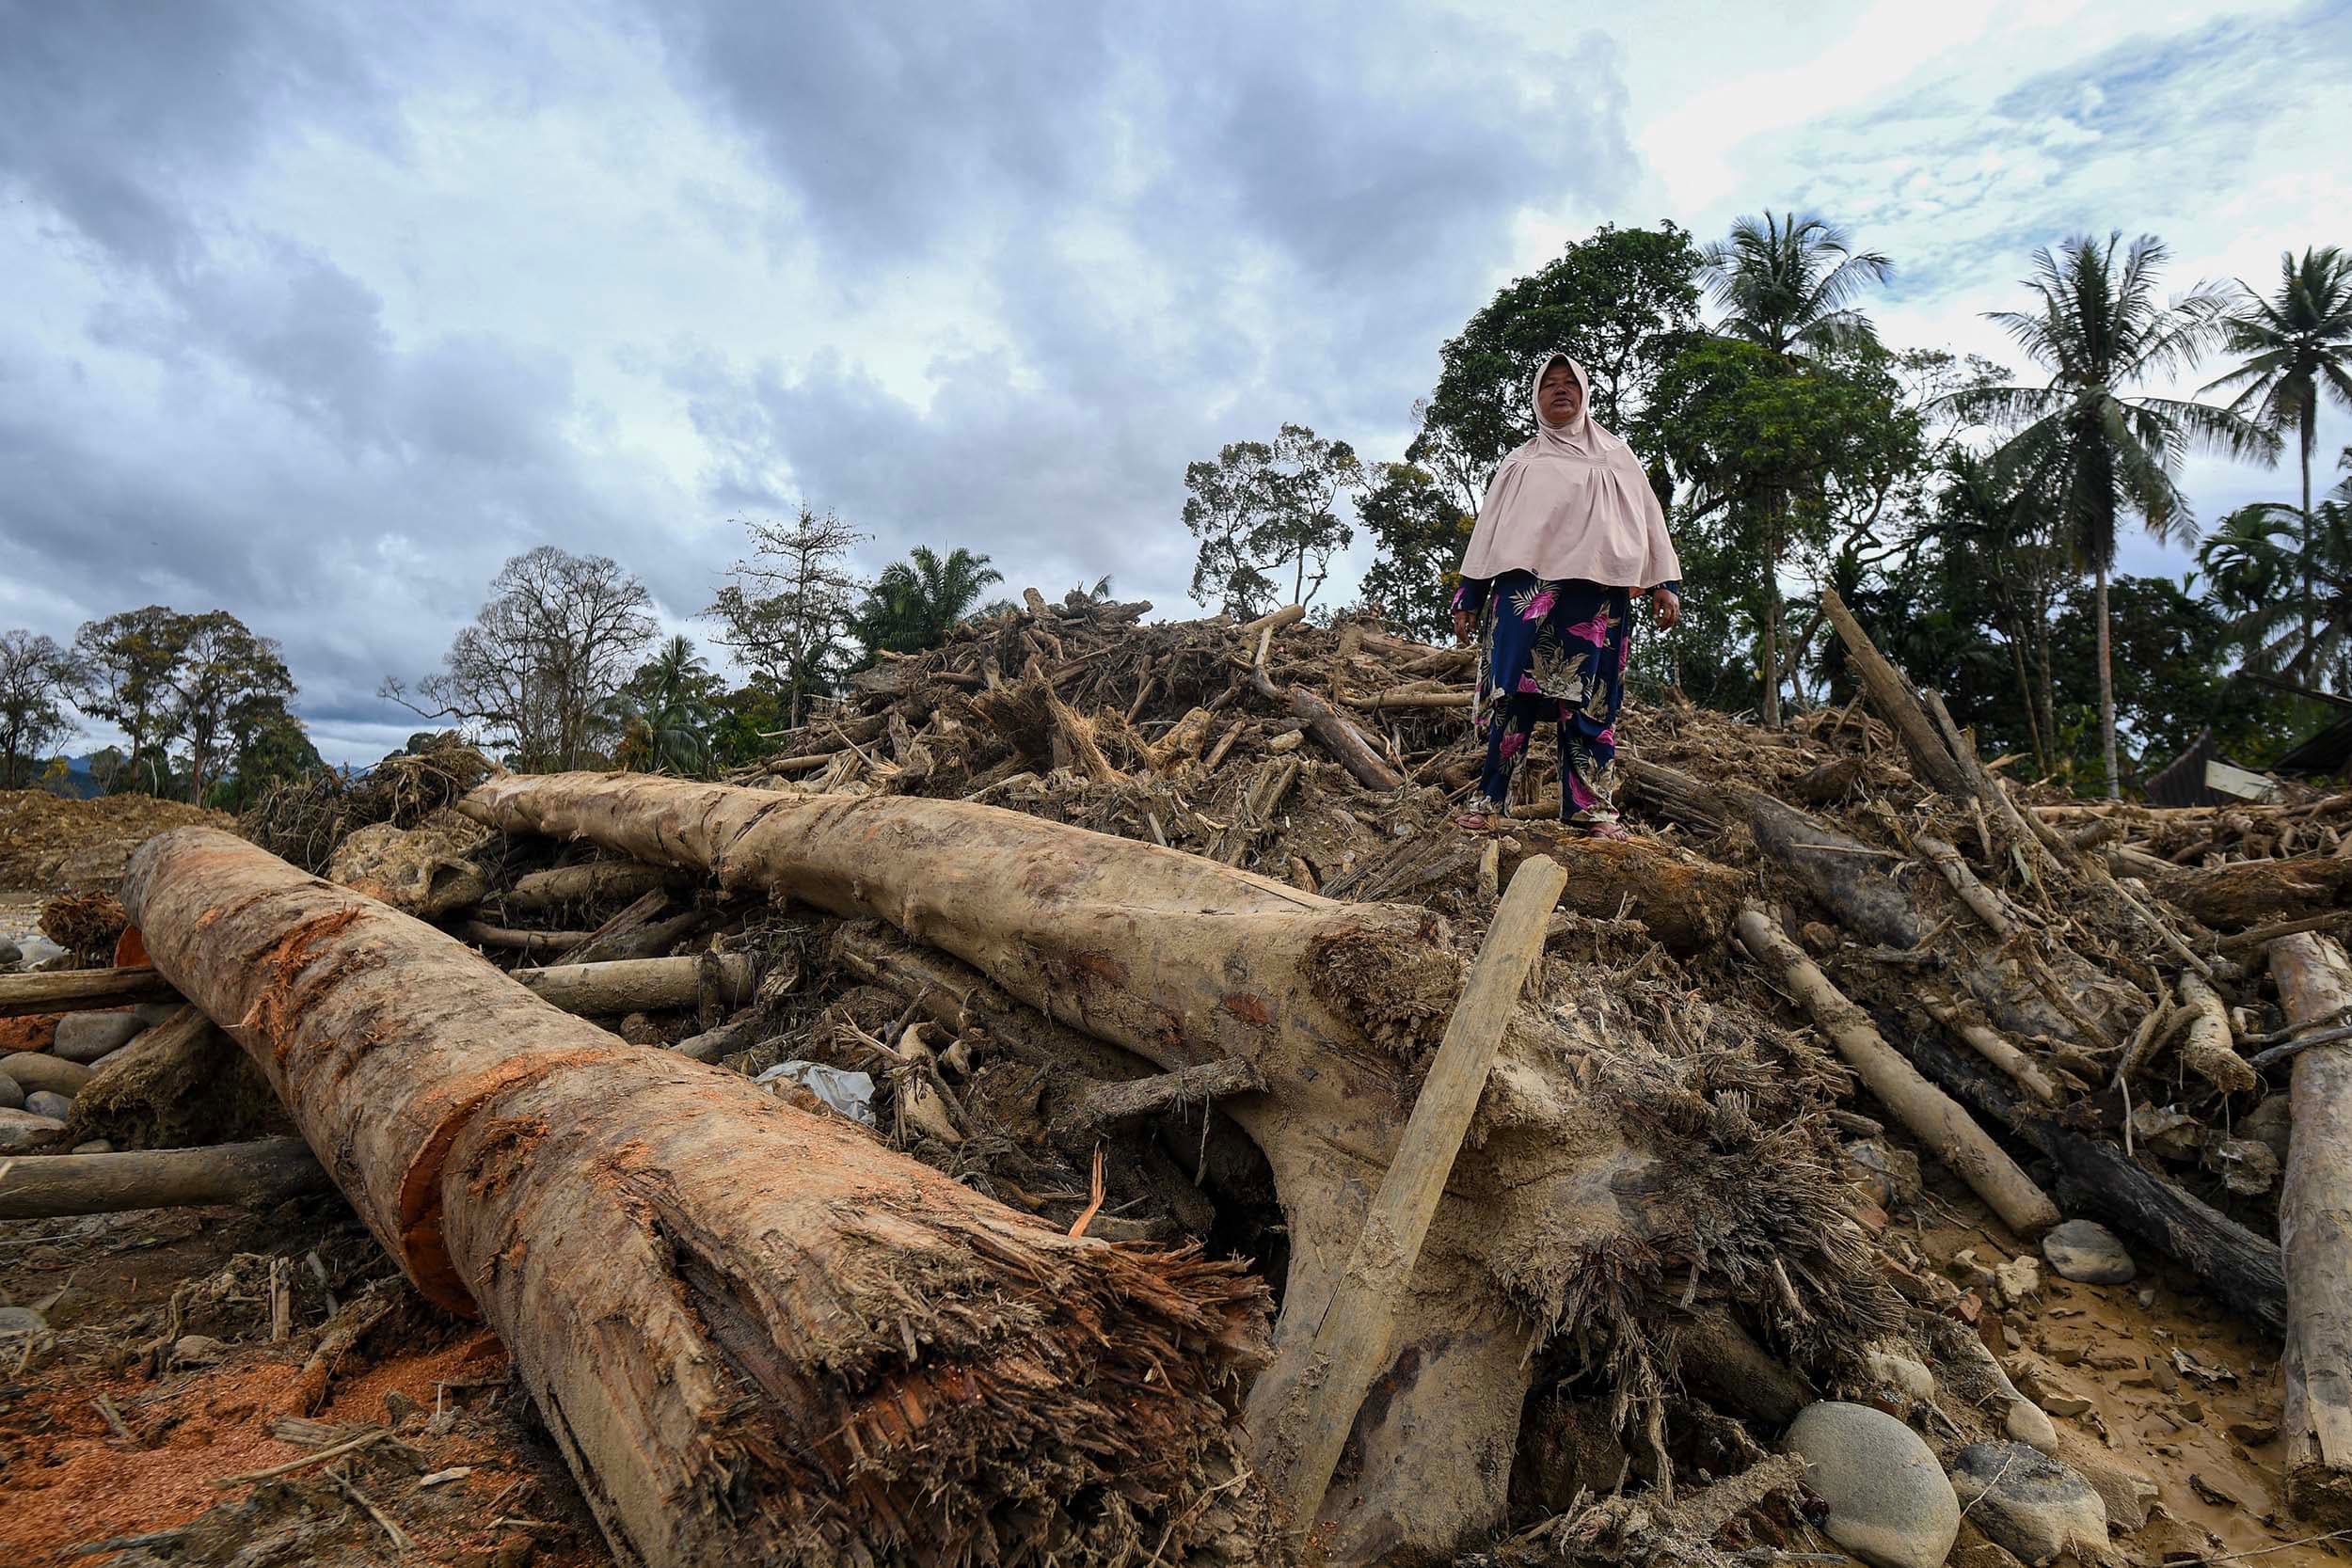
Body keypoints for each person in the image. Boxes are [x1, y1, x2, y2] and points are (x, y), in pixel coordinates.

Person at [1449, 351, 1681, 838]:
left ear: (1584, 393)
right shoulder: (1521, 462)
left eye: (1569, 383)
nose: (1560, 390)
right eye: (1549, 383)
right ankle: (1489, 802)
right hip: (1525, 596)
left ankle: (1591, 809)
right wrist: (1469, 594)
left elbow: (1649, 520)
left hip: (1596, 600)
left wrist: (1665, 583)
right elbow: (1489, 530)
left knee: (1591, 704)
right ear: (1536, 397)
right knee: (1510, 699)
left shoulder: (1617, 457)